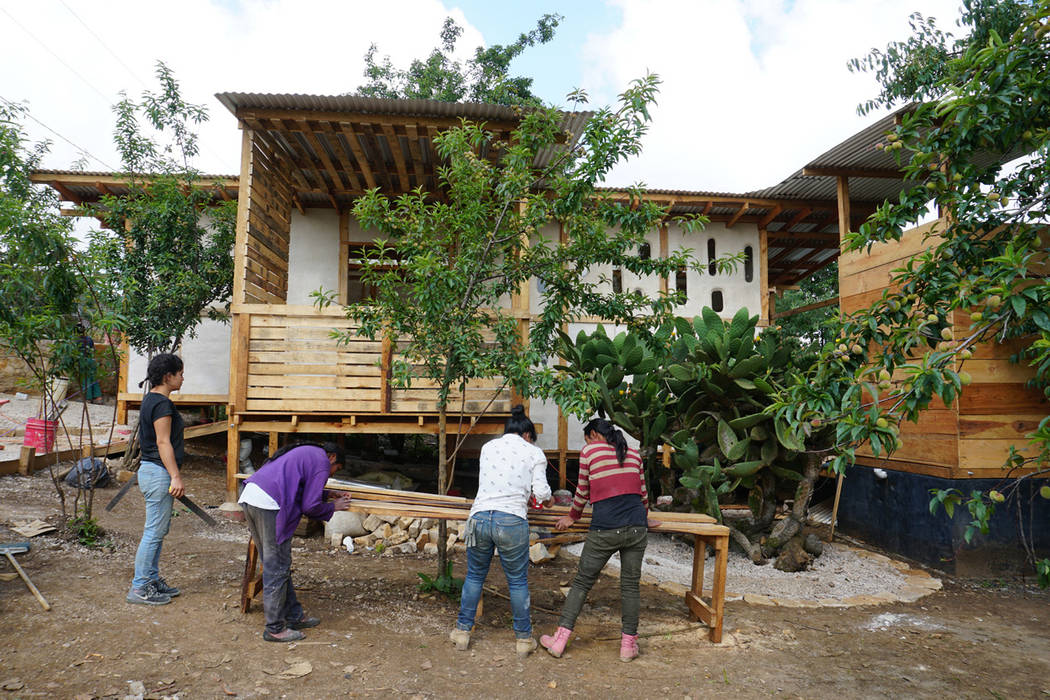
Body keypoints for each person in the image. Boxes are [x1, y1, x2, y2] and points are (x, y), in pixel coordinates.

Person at [539, 417, 657, 662]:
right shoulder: (633, 454)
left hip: (605, 527)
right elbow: (643, 494)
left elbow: (582, 491)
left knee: (582, 583)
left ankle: (559, 641)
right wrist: (645, 519)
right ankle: (627, 646)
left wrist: (572, 517)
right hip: (636, 527)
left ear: (593, 434)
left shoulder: (589, 450)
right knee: (630, 585)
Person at [451, 405, 551, 658]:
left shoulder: (488, 448)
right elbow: (541, 493)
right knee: (517, 581)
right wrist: (548, 501)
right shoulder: (534, 452)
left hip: (480, 516)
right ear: (527, 435)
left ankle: (462, 632)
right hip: (511, 520)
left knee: (475, 576)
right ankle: (523, 639)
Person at [239, 442, 352, 642]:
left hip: (252, 496)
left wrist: (326, 495)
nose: (332, 473)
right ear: (332, 457)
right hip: (268, 503)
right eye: (336, 469)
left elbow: (298, 486)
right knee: (277, 566)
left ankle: (294, 616)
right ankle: (274, 628)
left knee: (276, 563)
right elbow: (309, 505)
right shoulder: (322, 461)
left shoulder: (307, 452)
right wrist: (333, 506)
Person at [127, 353, 186, 606]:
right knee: (153, 532)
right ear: (168, 376)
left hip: (152, 471)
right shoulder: (161, 404)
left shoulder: (151, 399)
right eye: (180, 373)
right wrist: (175, 476)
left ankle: (150, 579)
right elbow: (162, 442)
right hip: (158, 472)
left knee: (158, 530)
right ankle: (140, 587)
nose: (183, 377)